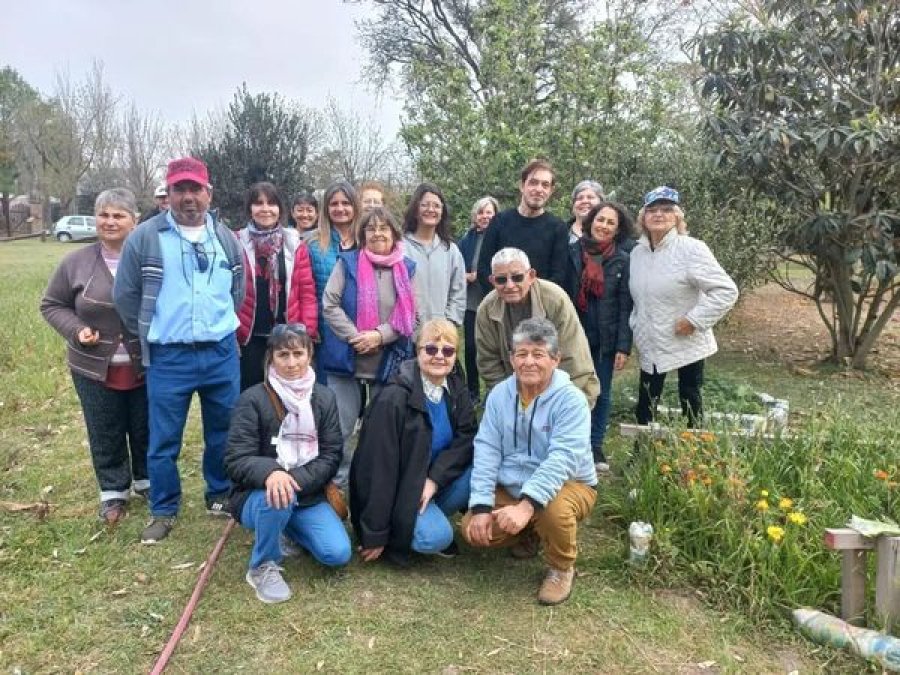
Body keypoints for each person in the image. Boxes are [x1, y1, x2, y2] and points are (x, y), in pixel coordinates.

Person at [114, 157, 245, 545]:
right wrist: (149, 333)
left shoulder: (225, 238)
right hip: (169, 356)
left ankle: (219, 494)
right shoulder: (145, 238)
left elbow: (236, 291)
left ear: (209, 194)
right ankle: (164, 508)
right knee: (164, 438)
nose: (188, 197)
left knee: (223, 431)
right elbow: (125, 296)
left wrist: (215, 326)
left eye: (195, 189)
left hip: (220, 353)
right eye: (179, 190)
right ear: (166, 194)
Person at [462, 318, 597, 605]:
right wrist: (483, 506)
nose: (529, 362)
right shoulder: (499, 395)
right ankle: (531, 534)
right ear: (511, 359)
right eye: (521, 354)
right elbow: (486, 449)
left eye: (538, 354)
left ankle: (561, 568)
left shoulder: (572, 401)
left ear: (555, 359)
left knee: (554, 511)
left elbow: (563, 460)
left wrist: (526, 507)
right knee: (473, 530)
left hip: (570, 483)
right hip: (513, 484)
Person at [41, 188, 148, 526]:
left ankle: (147, 481)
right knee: (105, 428)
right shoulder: (76, 262)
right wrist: (76, 330)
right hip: (92, 367)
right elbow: (52, 304)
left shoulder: (150, 258)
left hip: (145, 364)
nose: (110, 221)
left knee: (145, 426)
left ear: (135, 221)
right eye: (104, 215)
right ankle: (114, 491)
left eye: (119, 215)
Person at [225, 324, 351, 604]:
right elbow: (236, 459)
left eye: (298, 353)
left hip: (307, 492)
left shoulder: (324, 397)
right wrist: (272, 473)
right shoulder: (252, 399)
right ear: (271, 357)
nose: (292, 363)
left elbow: (331, 455)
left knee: (337, 554)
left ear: (310, 355)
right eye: (283, 355)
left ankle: (287, 529)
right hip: (257, 495)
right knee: (278, 495)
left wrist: (293, 479)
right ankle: (262, 566)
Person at [350, 319, 476, 566]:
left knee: (482, 470)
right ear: (417, 352)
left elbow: (467, 438)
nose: (439, 356)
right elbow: (377, 470)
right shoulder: (393, 399)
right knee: (437, 537)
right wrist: (375, 533)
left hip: (432, 483)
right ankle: (408, 528)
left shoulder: (456, 389)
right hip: (401, 492)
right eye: (430, 349)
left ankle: (430, 513)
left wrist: (434, 480)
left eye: (448, 351)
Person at [321, 206, 422, 488]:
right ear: (362, 234)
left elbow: (412, 315)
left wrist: (378, 336)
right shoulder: (347, 263)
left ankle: (375, 484)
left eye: (384, 228)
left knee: (382, 429)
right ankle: (337, 487)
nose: (377, 233)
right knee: (340, 428)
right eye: (371, 228)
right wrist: (357, 336)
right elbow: (329, 304)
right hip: (347, 358)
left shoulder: (407, 269)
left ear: (394, 233)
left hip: (388, 359)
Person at [629, 186, 738, 427]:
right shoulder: (637, 254)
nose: (659, 215)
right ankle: (643, 453)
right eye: (652, 210)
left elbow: (726, 290)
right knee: (646, 402)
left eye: (667, 210)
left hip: (686, 340)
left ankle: (695, 453)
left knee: (690, 398)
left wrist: (694, 320)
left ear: (677, 217)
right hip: (651, 341)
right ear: (643, 218)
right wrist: (636, 324)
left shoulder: (692, 249)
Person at [476, 247, 599, 407]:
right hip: (513, 390)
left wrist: (551, 404)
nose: (510, 285)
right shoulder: (487, 309)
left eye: (517, 277)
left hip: (564, 387)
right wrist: (511, 400)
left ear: (531, 276)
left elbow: (573, 359)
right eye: (501, 280)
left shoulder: (555, 300)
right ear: (492, 281)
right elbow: (489, 362)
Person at [564, 202, 634, 471]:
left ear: (617, 230)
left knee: (601, 392)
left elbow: (625, 304)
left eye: (610, 223)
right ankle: (571, 442)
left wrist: (623, 345)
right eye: (600, 220)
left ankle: (594, 445)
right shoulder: (572, 252)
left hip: (605, 336)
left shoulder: (622, 260)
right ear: (590, 221)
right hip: (573, 334)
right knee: (571, 390)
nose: (603, 226)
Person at [236, 182, 318, 391]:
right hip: (249, 339)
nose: (265, 209)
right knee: (251, 397)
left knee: (287, 398)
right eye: (258, 203)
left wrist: (306, 333)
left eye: (271, 203)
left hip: (287, 338)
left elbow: (307, 293)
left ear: (280, 209)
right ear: (250, 209)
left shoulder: (294, 244)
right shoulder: (236, 242)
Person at [477, 158, 569, 291]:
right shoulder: (499, 221)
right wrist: (507, 293)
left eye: (545, 185)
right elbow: (484, 269)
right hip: (501, 303)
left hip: (541, 305)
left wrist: (527, 297)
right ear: (522, 185)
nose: (539, 189)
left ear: (551, 190)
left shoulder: (558, 228)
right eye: (533, 183)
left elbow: (558, 276)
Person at [308, 180, 359, 384]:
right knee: (328, 394)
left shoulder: (366, 241)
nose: (340, 209)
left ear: (355, 206)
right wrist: (311, 329)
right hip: (326, 333)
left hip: (361, 330)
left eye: (345, 203)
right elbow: (307, 291)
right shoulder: (312, 243)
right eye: (334, 204)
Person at [402, 183, 466, 326]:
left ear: (442, 211)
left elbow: (458, 293)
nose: (431, 209)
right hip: (406, 335)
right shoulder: (400, 247)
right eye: (425, 205)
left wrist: (448, 324)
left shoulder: (451, 250)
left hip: (440, 338)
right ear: (416, 209)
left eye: (436, 206)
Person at [458, 195, 499, 404]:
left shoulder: (501, 235)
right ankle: (473, 392)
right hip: (472, 300)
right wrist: (466, 275)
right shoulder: (467, 238)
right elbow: (458, 265)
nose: (485, 216)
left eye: (489, 212)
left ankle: (496, 391)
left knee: (495, 346)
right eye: (481, 212)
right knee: (471, 347)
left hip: (495, 298)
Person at [567, 180, 604, 244]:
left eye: (590, 197)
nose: (584, 201)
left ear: (601, 203)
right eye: (579, 198)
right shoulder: (560, 232)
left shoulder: (610, 233)